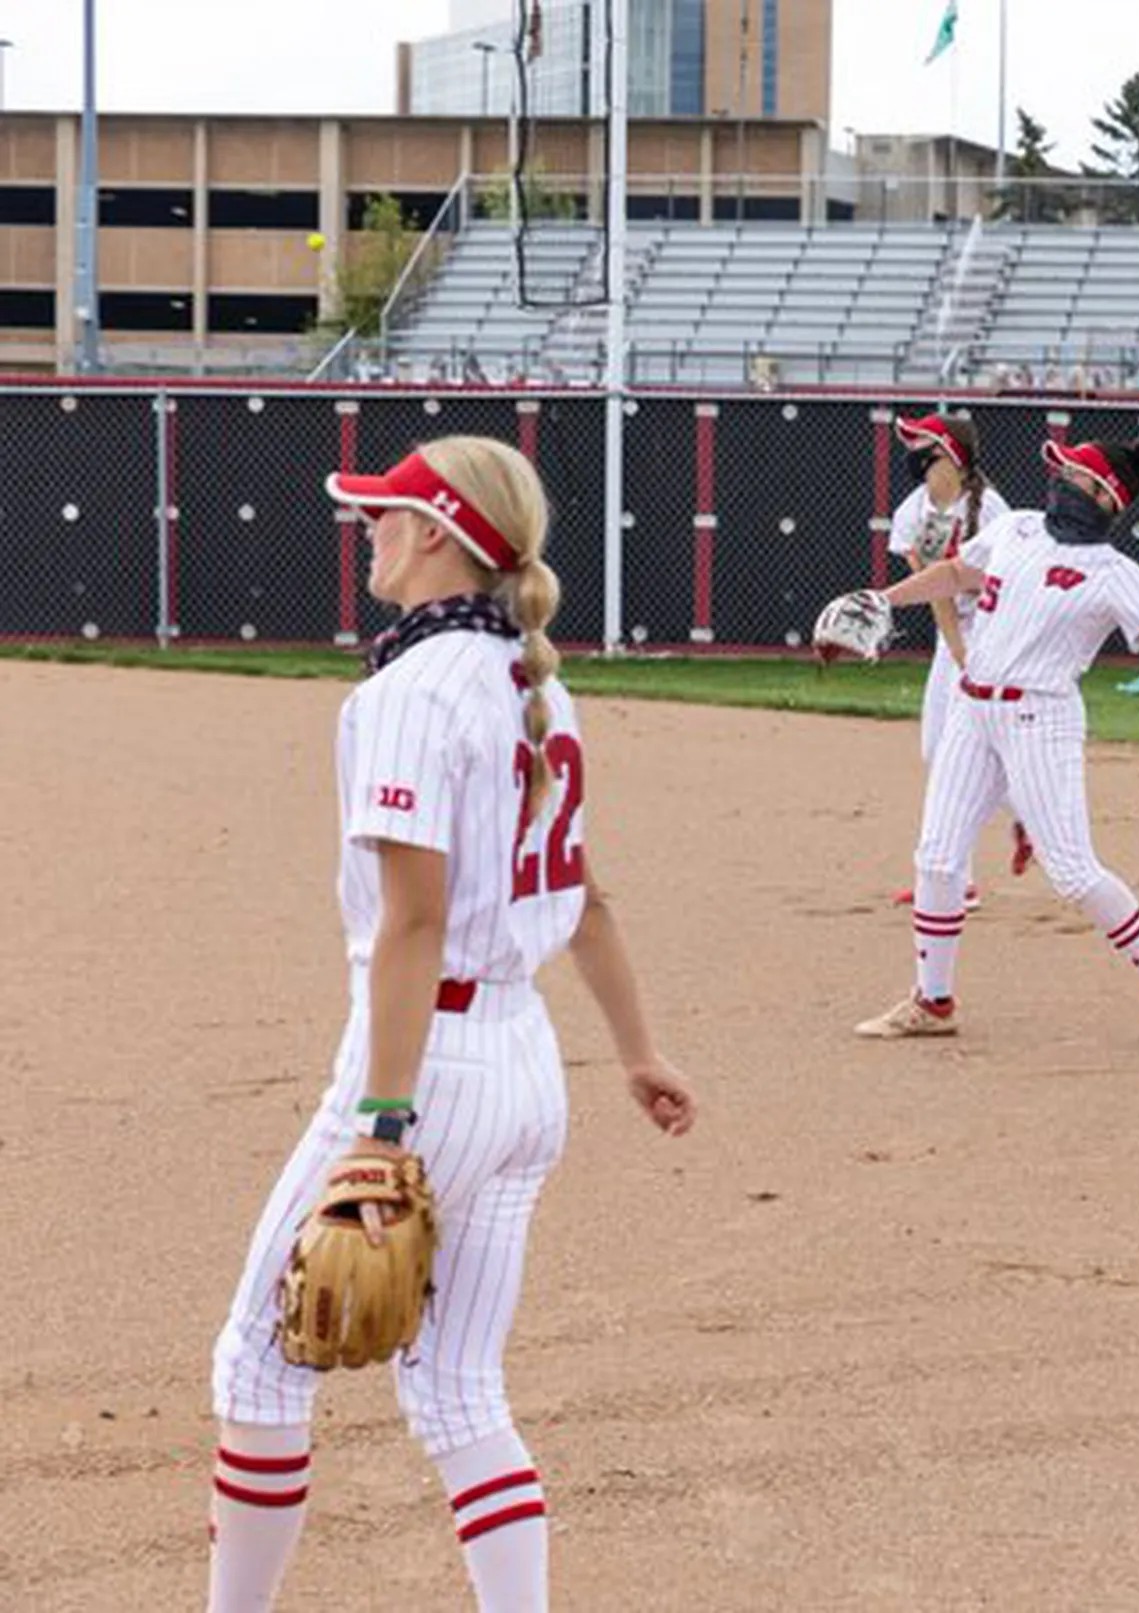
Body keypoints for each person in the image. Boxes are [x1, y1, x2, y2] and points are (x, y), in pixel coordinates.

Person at [207, 438, 697, 1611]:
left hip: (427, 1069)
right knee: (460, 1386)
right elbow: (583, 892)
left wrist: (379, 1120)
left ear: (433, 532)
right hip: (527, 1066)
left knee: (257, 1367)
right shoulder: (535, 681)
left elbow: (413, 923)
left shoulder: (407, 694)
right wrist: (636, 1049)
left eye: (381, 515)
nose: (365, 531)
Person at [849, 436, 1139, 1053]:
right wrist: (881, 598)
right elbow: (958, 573)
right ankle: (933, 1001)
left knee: (1073, 872)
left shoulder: (1116, 574)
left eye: (1075, 475)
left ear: (1106, 497)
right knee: (937, 860)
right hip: (974, 709)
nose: (1060, 482)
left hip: (1039, 720)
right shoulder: (1017, 528)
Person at [884, 412, 1024, 907]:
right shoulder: (913, 511)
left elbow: (1008, 588)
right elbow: (936, 588)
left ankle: (958, 878)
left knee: (964, 753)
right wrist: (958, 650)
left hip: (995, 628)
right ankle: (1019, 818)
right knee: (936, 752)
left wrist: (980, 651)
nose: (917, 457)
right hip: (956, 636)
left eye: (927, 448)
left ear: (953, 457)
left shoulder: (992, 512)